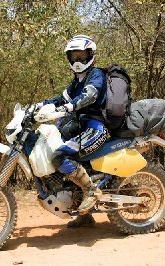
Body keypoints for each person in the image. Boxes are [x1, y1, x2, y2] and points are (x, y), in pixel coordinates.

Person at [36, 35, 108, 228]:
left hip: (96, 128)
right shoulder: (77, 80)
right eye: (73, 56)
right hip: (80, 125)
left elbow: (90, 95)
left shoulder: (96, 75)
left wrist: (68, 108)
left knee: (59, 156)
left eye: (81, 55)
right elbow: (61, 99)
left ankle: (91, 191)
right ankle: (84, 214)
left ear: (90, 55)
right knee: (54, 145)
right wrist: (38, 106)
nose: (77, 61)